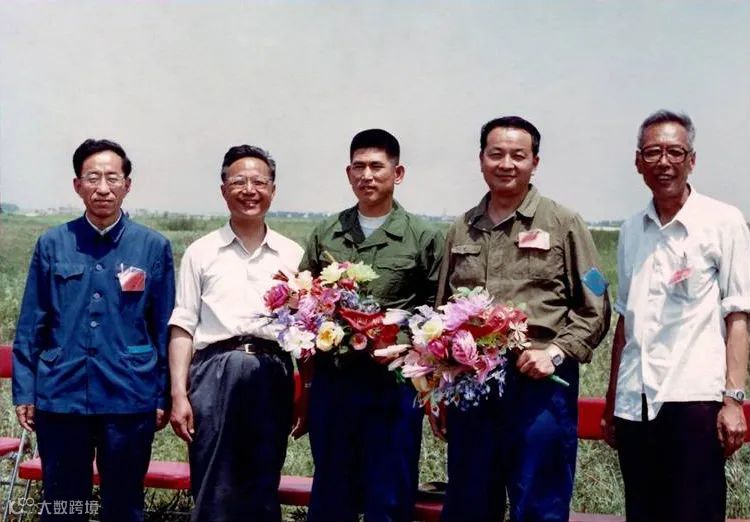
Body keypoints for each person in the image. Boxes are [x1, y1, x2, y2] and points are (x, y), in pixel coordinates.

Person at [434, 116, 611, 522]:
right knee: (469, 505)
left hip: (539, 387)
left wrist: (556, 352)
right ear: (481, 160)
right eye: (496, 154)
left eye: (518, 155)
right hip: (472, 389)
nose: (506, 164)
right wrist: (441, 384)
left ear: (535, 162)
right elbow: (442, 311)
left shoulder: (563, 223)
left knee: (539, 506)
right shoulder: (463, 228)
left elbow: (596, 304)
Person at [12, 139, 175, 522]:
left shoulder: (152, 246)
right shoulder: (53, 243)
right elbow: (32, 322)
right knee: (63, 505)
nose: (103, 188)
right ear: (77, 185)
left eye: (112, 178)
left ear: (127, 185)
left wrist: (162, 395)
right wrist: (25, 390)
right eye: (93, 178)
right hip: (61, 394)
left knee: (124, 504)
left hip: (129, 395)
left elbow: (163, 326)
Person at [601, 110, 749, 522]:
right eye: (652, 153)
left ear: (692, 160)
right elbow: (625, 321)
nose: (663, 162)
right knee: (642, 512)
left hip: (694, 399)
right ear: (638, 162)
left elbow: (738, 315)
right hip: (636, 401)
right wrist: (613, 400)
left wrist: (733, 400)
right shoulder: (632, 230)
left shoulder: (723, 221)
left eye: (674, 152)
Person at [300, 129, 444, 522]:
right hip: (336, 381)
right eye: (359, 167)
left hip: (393, 385)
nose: (367, 175)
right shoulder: (327, 233)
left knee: (389, 497)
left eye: (377, 167)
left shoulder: (422, 237)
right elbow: (303, 302)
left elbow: (439, 310)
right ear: (348, 173)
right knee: (332, 495)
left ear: (398, 173)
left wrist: (405, 341)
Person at [168, 145, 304, 522]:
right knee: (214, 486)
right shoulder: (201, 252)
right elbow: (183, 324)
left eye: (259, 182)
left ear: (273, 190)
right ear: (223, 189)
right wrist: (178, 393)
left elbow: (306, 330)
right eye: (239, 181)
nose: (249, 190)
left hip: (272, 372)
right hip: (214, 372)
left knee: (262, 483)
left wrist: (305, 391)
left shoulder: (292, 254)